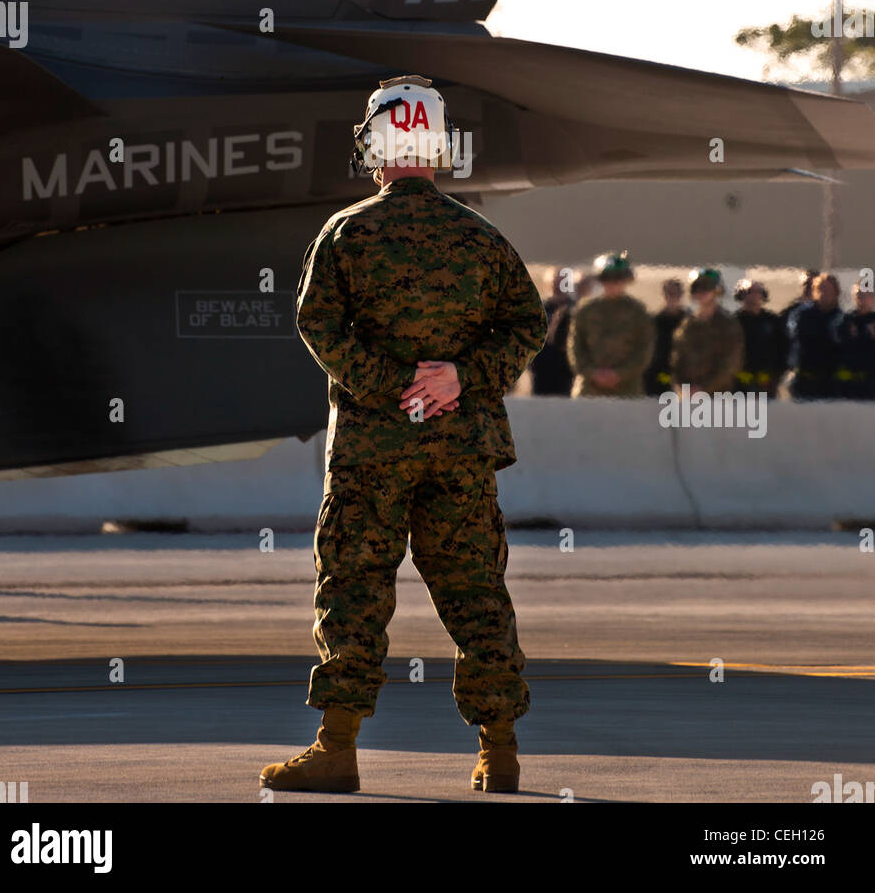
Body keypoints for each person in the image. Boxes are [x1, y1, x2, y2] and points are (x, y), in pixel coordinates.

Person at [259, 74, 547, 796]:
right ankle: (500, 752)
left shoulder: (348, 232)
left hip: (371, 452)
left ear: (376, 145)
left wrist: (391, 387)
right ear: (437, 147)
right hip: (460, 448)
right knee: (477, 591)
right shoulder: (481, 238)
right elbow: (527, 325)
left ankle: (336, 750)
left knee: (354, 589)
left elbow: (316, 324)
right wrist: (459, 379)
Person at [569, 252, 654, 397]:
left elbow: (643, 351)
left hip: (627, 389)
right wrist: (593, 373)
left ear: (626, 280)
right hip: (589, 388)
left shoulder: (638, 312)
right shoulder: (585, 310)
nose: (613, 283)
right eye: (607, 278)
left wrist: (619, 374)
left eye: (618, 278)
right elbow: (575, 348)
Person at [670, 268, 744, 395]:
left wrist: (703, 388)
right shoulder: (688, 324)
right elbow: (678, 358)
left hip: (717, 394)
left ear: (716, 292)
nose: (701, 293)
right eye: (697, 288)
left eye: (706, 288)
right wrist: (680, 386)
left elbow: (730, 363)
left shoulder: (727, 324)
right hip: (688, 396)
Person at [785, 272, 845, 401]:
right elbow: (798, 340)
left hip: (830, 383)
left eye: (829, 289)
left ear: (836, 292)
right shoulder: (801, 315)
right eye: (821, 288)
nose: (825, 293)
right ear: (814, 291)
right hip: (804, 381)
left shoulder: (842, 318)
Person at [734, 278, 788, 397]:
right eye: (749, 292)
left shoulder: (773, 321)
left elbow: (783, 350)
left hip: (767, 384)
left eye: (758, 291)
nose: (754, 295)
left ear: (763, 295)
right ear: (741, 295)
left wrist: (775, 377)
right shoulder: (733, 322)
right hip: (739, 385)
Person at [530, 267, 575, 396]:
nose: (558, 287)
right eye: (555, 283)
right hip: (541, 371)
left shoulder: (576, 310)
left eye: (563, 283)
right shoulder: (538, 309)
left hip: (568, 372)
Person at [644, 278, 687, 396]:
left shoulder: (690, 322)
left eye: (676, 293)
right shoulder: (653, 322)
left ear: (681, 295)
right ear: (663, 295)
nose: (672, 297)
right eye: (669, 293)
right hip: (657, 381)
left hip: (687, 383)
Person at [838, 280, 875, 400]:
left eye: (867, 295)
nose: (863, 299)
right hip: (848, 383)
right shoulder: (845, 320)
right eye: (859, 294)